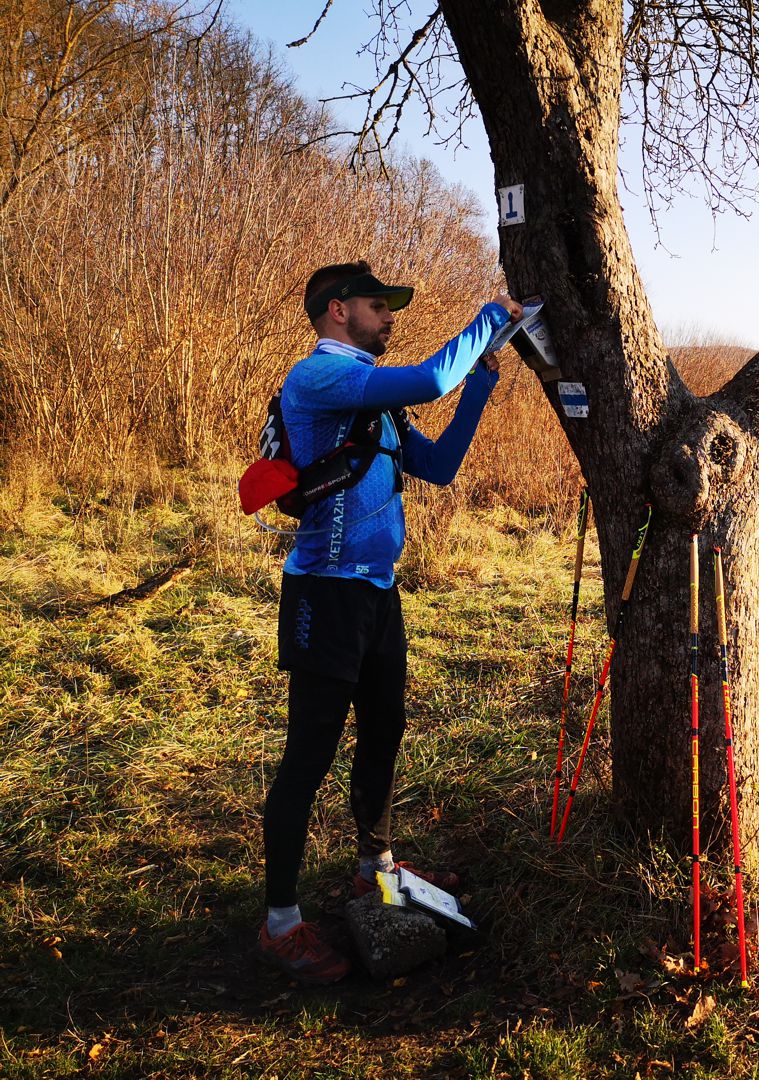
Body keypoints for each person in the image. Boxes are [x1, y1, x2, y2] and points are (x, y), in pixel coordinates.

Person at [257, 260, 521, 984]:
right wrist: (490, 318)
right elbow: (432, 376)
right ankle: (280, 923)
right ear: (338, 311)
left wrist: (484, 385)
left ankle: (376, 867)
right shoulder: (320, 377)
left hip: (378, 594)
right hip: (324, 595)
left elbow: (437, 467)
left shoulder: (375, 401)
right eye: (379, 306)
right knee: (308, 757)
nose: (388, 317)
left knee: (385, 729)